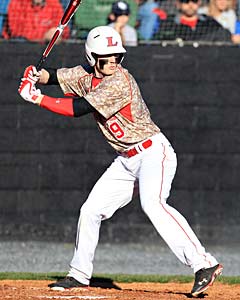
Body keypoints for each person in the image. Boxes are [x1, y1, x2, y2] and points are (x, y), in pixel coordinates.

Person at [18, 25, 223, 297]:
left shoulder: (119, 81)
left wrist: (36, 97)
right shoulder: (86, 74)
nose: (114, 61)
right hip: (126, 159)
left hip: (152, 152)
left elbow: (77, 108)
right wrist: (37, 76)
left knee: (153, 204)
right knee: (90, 211)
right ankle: (79, 275)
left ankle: (204, 264)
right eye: (107, 56)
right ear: (92, 58)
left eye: (117, 56)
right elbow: (56, 76)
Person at [156, 0, 232, 41]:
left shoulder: (210, 23)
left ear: (199, 2)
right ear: (178, 3)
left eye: (194, 0)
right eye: (185, 1)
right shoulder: (169, 24)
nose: (190, 4)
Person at [2, 0, 69, 43]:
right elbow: (16, 31)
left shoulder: (54, 3)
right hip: (19, 47)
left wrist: (58, 34)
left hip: (46, 48)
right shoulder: (17, 3)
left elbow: (64, 29)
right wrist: (44, 36)